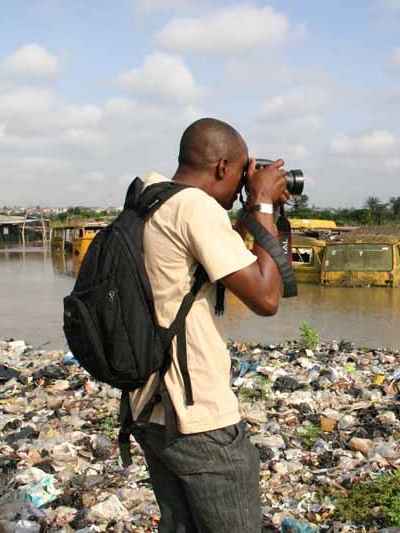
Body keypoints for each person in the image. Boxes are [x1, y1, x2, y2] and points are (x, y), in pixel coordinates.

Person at [129, 117, 289, 532]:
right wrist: (262, 205)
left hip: (148, 407)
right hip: (196, 418)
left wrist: (256, 211)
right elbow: (266, 298)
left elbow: (223, 260)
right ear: (221, 167)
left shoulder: (150, 199)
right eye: (240, 174)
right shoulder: (194, 207)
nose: (241, 186)